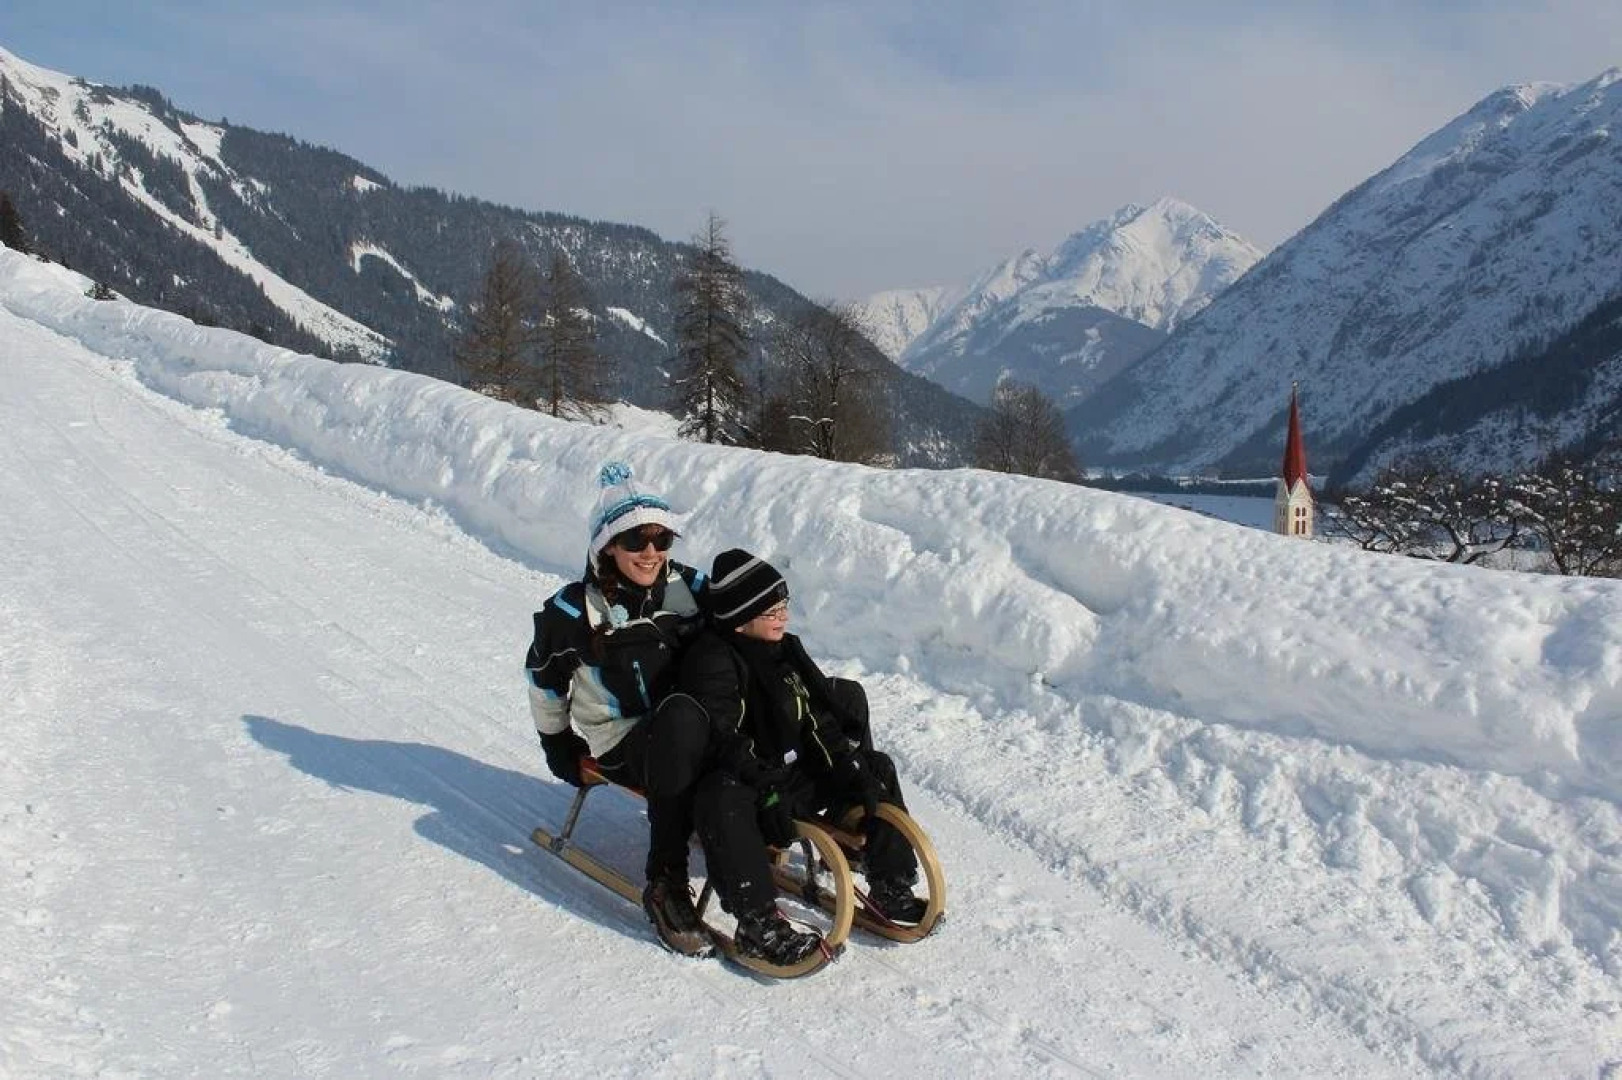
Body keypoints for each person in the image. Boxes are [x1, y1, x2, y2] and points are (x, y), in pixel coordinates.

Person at [678, 548, 929, 939]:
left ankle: (890, 883)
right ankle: (758, 922)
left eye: (784, 606)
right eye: (771, 611)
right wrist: (769, 792)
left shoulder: (783, 650)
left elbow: (816, 719)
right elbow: (724, 741)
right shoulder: (712, 662)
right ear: (741, 620)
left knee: (875, 766)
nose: (783, 617)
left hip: (785, 780)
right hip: (750, 790)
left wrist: (851, 766)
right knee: (722, 793)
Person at [525, 462, 714, 957]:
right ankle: (665, 883)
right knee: (679, 719)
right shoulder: (574, 611)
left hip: (691, 728)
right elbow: (544, 679)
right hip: (623, 739)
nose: (651, 552)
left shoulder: (689, 588)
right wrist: (557, 743)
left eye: (661, 538)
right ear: (607, 546)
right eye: (635, 540)